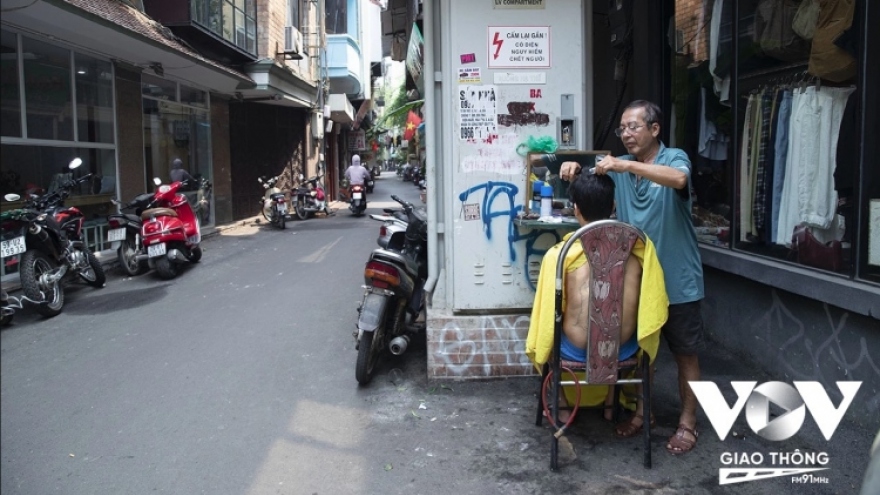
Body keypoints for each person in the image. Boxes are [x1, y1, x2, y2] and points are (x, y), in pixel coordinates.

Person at [559, 100, 705, 455]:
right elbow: (586, 186)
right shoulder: (618, 170)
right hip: (637, 281)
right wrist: (571, 168)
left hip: (678, 279)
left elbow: (680, 180)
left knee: (685, 353)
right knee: (644, 354)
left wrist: (624, 165)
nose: (625, 134)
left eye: (633, 127)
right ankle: (644, 413)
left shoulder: (673, 160)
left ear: (655, 129)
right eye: (622, 128)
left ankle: (688, 423)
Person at [525, 173, 668, 425]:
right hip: (623, 349)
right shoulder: (640, 251)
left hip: (576, 350)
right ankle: (612, 404)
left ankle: (561, 404)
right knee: (620, 327)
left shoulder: (561, 255)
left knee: (548, 335)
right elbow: (651, 306)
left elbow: (547, 316)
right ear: (613, 206)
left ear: (576, 209)